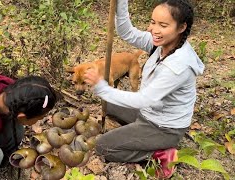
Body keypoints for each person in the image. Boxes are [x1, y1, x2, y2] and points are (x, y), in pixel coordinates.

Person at [84, 0, 204, 178]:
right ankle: (137, 134)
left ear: (181, 28)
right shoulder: (161, 43)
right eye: (153, 22)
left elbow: (144, 99)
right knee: (107, 104)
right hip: (148, 112)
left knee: (103, 147)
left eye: (163, 25)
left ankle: (159, 155)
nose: (153, 29)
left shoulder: (179, 66)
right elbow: (126, 32)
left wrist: (102, 87)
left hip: (164, 127)